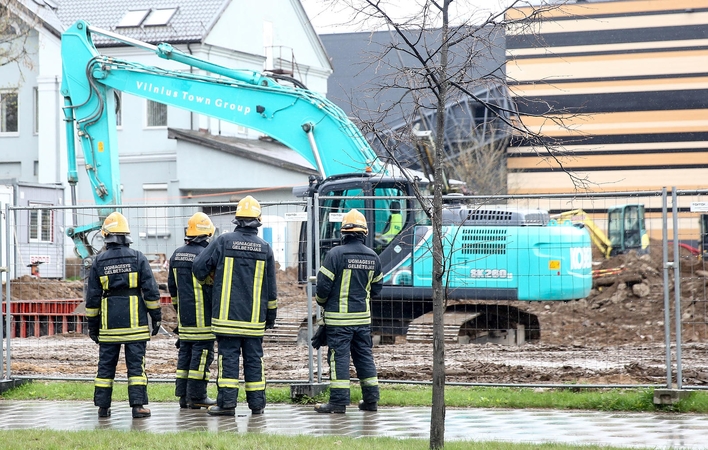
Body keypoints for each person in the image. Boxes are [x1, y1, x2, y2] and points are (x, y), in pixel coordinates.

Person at [192, 195, 278, 416]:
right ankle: (257, 406)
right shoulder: (265, 248)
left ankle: (227, 405)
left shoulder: (223, 241)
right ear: (258, 221)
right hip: (254, 319)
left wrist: (210, 283)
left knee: (228, 359)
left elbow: (199, 268)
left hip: (226, 317)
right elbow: (271, 288)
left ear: (236, 219)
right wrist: (270, 317)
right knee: (254, 360)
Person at [85, 211, 162, 419]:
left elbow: (92, 298)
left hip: (109, 326)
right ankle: (138, 407)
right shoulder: (138, 258)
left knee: (105, 367)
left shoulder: (98, 261)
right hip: (135, 325)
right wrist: (156, 317)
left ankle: (103, 408)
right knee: (136, 367)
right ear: (126, 236)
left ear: (106, 236)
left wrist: (93, 326)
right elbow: (151, 292)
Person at [314, 208, 383, 413]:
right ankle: (371, 401)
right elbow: (377, 289)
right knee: (364, 357)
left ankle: (338, 403)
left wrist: (322, 302)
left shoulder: (334, 254)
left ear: (343, 232)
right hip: (362, 320)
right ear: (364, 232)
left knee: (339, 359)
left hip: (339, 321)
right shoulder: (373, 257)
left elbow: (323, 287)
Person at [168, 212, 217, 410]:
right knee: (202, 355)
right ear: (207, 235)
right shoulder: (206, 256)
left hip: (185, 318)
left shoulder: (176, 254)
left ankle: (183, 397)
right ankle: (197, 396)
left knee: (185, 355)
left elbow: (173, 289)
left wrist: (180, 311)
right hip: (203, 318)